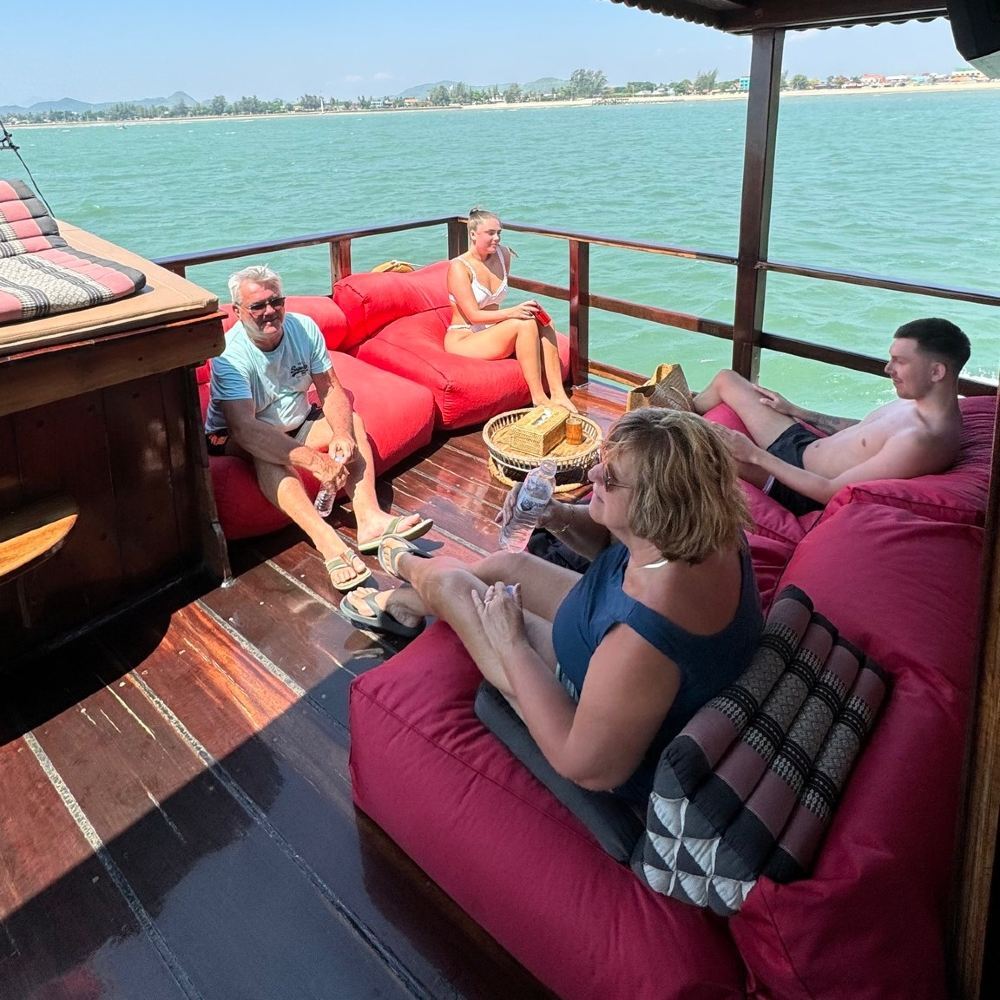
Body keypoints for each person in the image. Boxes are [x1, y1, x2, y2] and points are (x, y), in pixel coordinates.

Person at [340, 409, 762, 805]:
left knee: (453, 586)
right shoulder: (704, 529)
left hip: (593, 706)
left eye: (609, 478)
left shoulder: (642, 638)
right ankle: (409, 599)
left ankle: (403, 567)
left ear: (655, 507)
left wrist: (512, 645)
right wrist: (554, 515)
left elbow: (585, 767)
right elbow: (611, 543)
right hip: (600, 638)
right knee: (507, 565)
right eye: (602, 460)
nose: (593, 473)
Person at [205, 264, 433, 591]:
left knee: (352, 422)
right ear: (238, 312)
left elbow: (330, 388)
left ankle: (369, 518)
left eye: (276, 301)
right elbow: (245, 429)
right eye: (257, 306)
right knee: (268, 453)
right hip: (237, 434)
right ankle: (326, 540)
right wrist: (316, 462)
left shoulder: (304, 328)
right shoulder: (230, 356)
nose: (270, 311)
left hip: (298, 419)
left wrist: (340, 434)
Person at [692, 317, 971, 515]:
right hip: (802, 446)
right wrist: (797, 411)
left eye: (900, 361)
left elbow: (830, 491)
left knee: (696, 447)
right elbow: (865, 430)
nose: (888, 368)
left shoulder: (924, 440)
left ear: (937, 372)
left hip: (797, 485)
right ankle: (683, 408)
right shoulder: (916, 403)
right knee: (727, 379)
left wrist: (754, 455)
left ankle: (672, 422)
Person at [445, 207, 577, 413]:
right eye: (490, 233)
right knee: (523, 324)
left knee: (542, 318)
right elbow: (473, 316)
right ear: (473, 234)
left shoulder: (503, 255)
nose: (497, 238)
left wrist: (525, 310)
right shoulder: (459, 267)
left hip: (490, 330)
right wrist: (513, 312)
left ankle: (558, 393)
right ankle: (539, 398)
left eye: (499, 232)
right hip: (464, 337)